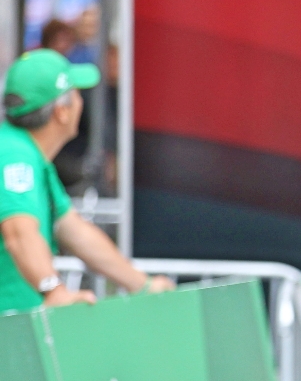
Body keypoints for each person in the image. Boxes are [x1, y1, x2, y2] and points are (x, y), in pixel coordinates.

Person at [0, 49, 172, 313]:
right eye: (77, 93)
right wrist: (54, 291)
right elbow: (18, 231)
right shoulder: (15, 155)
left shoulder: (28, 155)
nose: (82, 101)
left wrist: (142, 285)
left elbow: (75, 232)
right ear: (62, 112)